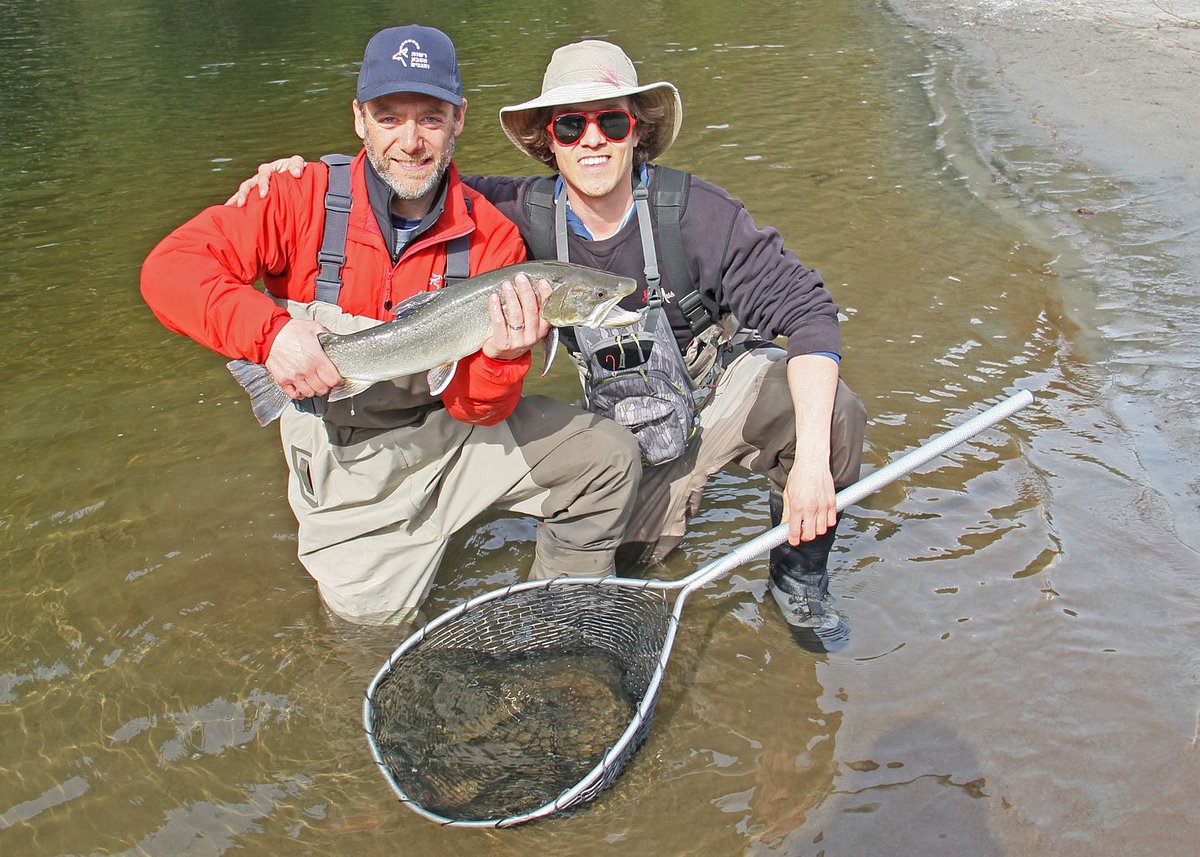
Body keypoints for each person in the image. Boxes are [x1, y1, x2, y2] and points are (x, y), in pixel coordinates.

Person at [231, 39, 866, 652]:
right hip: (629, 424)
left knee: (831, 416)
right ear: (547, 138)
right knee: (631, 559)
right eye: (570, 126)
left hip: (714, 393)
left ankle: (799, 576)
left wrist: (811, 465)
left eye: (611, 122)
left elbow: (811, 314)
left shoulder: (700, 213)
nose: (592, 140)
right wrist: (300, 175)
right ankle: (558, 625)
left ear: (637, 130)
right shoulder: (505, 209)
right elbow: (405, 172)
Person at [142, 26, 641, 627]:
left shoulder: (493, 237)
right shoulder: (296, 197)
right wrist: (269, 334)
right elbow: (169, 270)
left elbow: (475, 409)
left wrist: (502, 359)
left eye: (430, 118)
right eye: (389, 117)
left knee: (607, 456)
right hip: (350, 462)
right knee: (366, 635)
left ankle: (555, 626)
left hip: (451, 439)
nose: (410, 141)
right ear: (359, 119)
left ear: (459, 120)